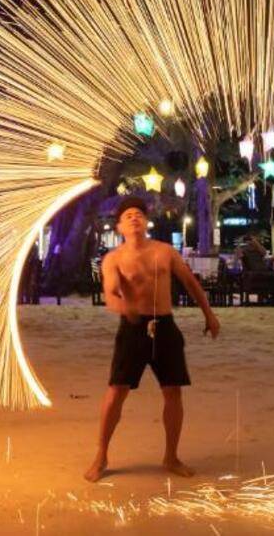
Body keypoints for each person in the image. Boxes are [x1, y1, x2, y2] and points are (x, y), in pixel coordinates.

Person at [84, 196, 220, 483]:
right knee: (116, 391)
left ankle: (171, 456)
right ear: (120, 226)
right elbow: (110, 293)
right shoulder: (114, 259)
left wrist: (209, 315)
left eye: (138, 214)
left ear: (146, 222)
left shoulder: (165, 252)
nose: (134, 218)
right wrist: (125, 308)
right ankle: (101, 455)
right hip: (132, 328)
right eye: (128, 215)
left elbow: (191, 283)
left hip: (165, 326)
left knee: (173, 391)